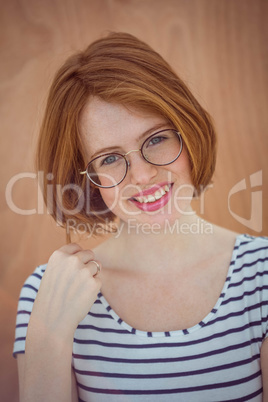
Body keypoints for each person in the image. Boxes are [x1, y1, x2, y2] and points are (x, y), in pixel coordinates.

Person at [13, 32, 268, 402]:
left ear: (188, 131)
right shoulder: (47, 295)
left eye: (155, 139)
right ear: (89, 179)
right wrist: (50, 337)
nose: (143, 176)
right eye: (111, 158)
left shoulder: (263, 273)